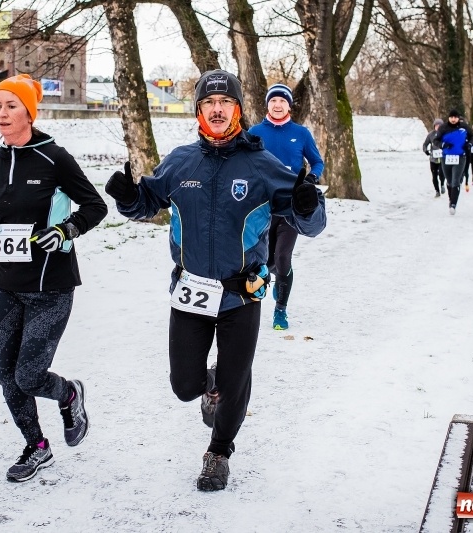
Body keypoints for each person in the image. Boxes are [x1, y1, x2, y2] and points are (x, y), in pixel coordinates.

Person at [103, 69, 326, 492]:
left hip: (242, 295)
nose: (217, 109)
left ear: (238, 110)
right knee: (184, 386)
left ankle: (218, 452)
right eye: (209, 103)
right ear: (200, 111)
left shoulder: (262, 165)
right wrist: (129, 197)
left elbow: (311, 224)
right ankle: (210, 384)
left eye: (226, 102)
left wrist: (306, 204)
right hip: (190, 292)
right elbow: (145, 203)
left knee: (235, 380)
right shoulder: (181, 161)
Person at [0, 74, 108, 482]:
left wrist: (65, 231)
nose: (2, 114)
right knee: (7, 376)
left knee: (29, 375)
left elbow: (95, 206)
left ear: (29, 112)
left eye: (11, 106)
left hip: (50, 286)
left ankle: (69, 393)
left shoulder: (54, 157)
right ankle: (36, 446)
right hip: (2, 285)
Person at [248, 83, 324, 330]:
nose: (277, 105)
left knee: (282, 257)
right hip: (261, 208)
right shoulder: (255, 132)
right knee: (264, 259)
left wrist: (311, 180)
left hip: (290, 208)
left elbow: (317, 162)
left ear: (289, 105)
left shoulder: (301, 133)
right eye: (273, 101)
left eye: (282, 101)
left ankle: (280, 310)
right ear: (267, 104)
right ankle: (270, 286)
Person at [434, 110, 471, 215]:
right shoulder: (443, 128)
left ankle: (453, 204)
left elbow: (471, 137)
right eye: (451, 117)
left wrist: (469, 145)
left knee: (456, 180)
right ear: (448, 118)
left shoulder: (464, 127)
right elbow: (435, 141)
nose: (453, 119)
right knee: (449, 181)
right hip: (446, 157)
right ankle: (451, 200)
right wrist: (443, 145)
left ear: (458, 118)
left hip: (460, 157)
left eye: (455, 117)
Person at [423, 119, 445, 197]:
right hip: (433, 158)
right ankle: (437, 191)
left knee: (441, 173)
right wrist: (426, 151)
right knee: (434, 175)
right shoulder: (431, 135)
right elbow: (425, 144)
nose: (438, 127)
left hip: (442, 157)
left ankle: (442, 184)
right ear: (434, 126)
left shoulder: (445, 134)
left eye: (440, 126)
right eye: (436, 126)